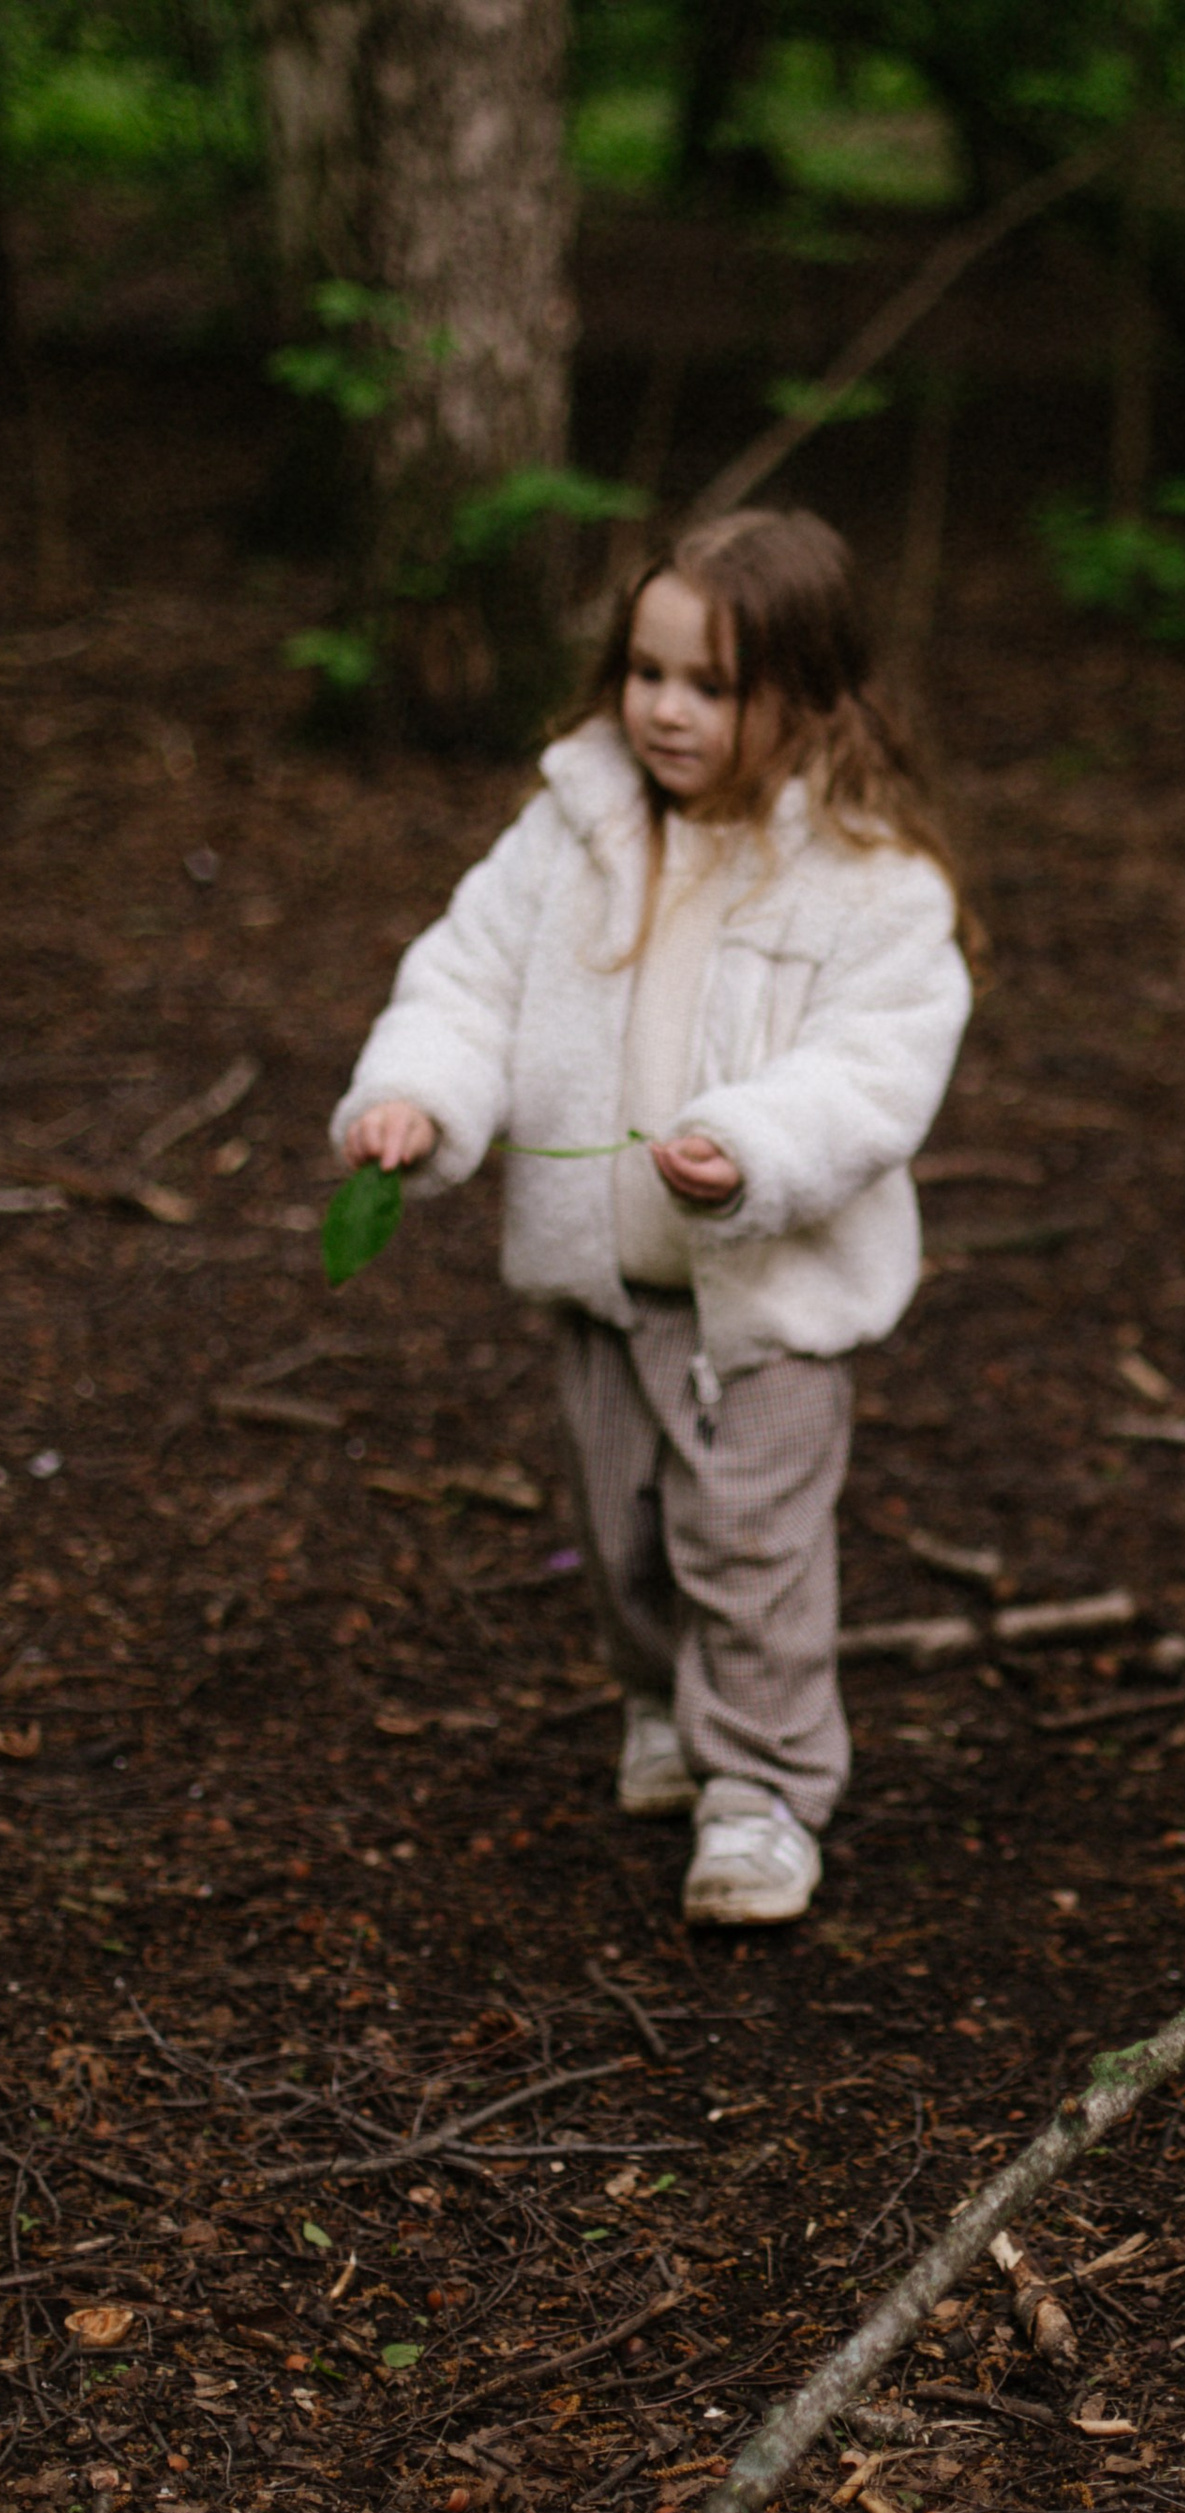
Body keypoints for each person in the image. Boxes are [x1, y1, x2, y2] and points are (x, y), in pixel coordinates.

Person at [332, 509, 970, 1927]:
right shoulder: (573, 830)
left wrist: (749, 1146)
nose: (665, 710)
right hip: (602, 1280)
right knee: (622, 1534)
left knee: (746, 1545)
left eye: (712, 685)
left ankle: (764, 1788)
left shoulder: (872, 880)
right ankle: (662, 1708)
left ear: (807, 698)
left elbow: (877, 1069)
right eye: (648, 671)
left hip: (769, 1303)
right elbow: (467, 981)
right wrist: (419, 1099)